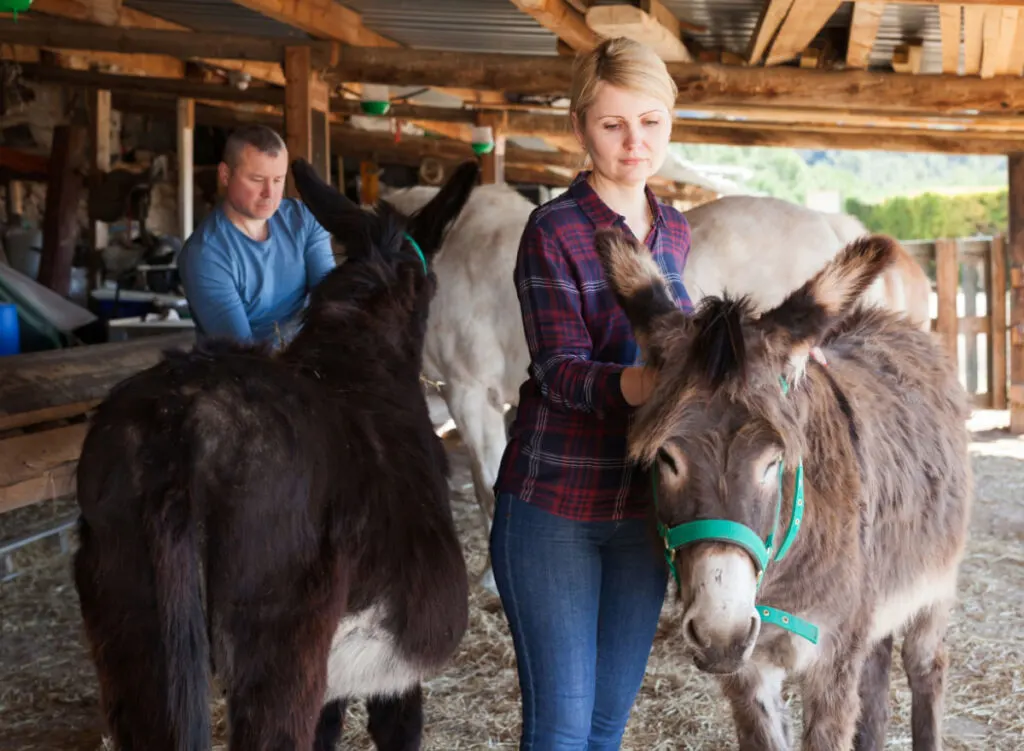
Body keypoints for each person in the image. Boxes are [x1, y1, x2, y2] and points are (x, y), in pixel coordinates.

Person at [490, 37, 693, 750]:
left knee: (606, 726)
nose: (634, 142)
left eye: (650, 122)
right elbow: (559, 369)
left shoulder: (675, 232)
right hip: (555, 507)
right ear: (580, 127)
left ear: (670, 121)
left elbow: (687, 347)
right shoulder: (554, 230)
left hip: (642, 512)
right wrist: (646, 383)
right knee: (561, 729)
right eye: (612, 125)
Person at [177, 125, 335, 345]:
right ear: (225, 175)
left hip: (311, 355)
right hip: (245, 372)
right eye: (257, 179)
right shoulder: (206, 255)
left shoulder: (303, 219)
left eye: (278, 180)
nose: (270, 193)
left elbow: (332, 300)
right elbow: (242, 354)